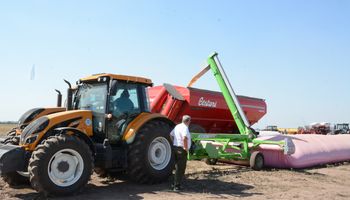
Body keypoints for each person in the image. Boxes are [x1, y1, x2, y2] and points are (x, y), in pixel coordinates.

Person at [170, 115, 192, 191]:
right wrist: (186, 148)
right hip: (181, 150)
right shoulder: (185, 128)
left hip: (175, 148)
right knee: (180, 168)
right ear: (188, 121)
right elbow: (185, 138)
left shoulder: (177, 126)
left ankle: (173, 183)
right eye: (190, 121)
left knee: (176, 167)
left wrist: (174, 142)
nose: (190, 122)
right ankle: (176, 186)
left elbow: (171, 134)